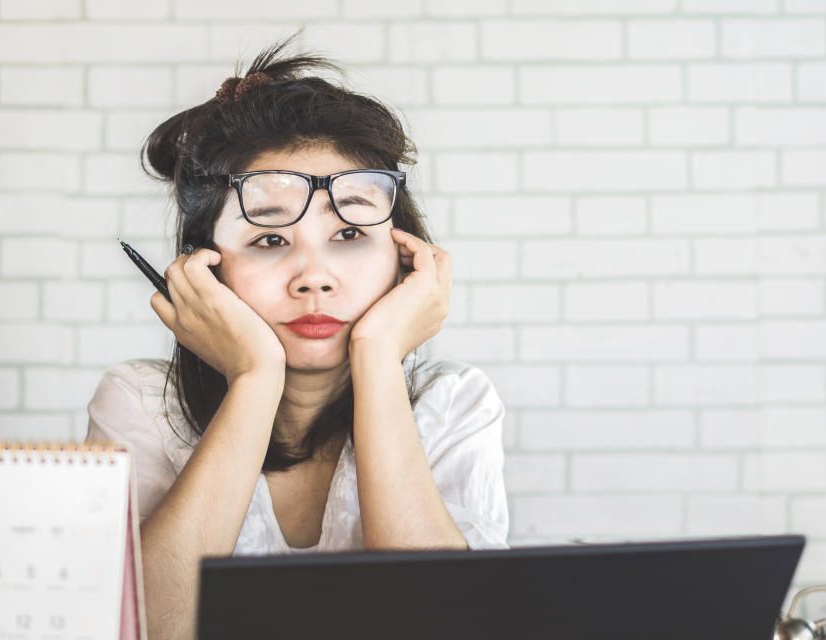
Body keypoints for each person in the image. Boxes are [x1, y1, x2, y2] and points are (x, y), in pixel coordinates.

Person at [84, 35, 509, 640]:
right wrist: (255, 377)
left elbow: (446, 624)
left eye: (350, 234)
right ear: (205, 269)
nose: (315, 278)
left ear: (403, 254)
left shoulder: (454, 403)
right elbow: (150, 630)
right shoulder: (141, 403)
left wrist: (379, 358)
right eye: (270, 240)